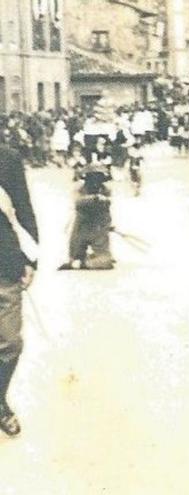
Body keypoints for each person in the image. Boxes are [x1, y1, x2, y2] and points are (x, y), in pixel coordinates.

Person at [0, 137, 38, 437]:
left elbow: (23, 208)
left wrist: (31, 259)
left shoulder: (6, 158)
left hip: (3, 264)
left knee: (10, 342)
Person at [58, 164, 115, 271]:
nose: (95, 181)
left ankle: (89, 261)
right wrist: (93, 199)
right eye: (92, 177)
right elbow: (77, 202)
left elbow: (108, 206)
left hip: (99, 228)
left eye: (98, 178)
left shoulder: (105, 190)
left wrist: (109, 225)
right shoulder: (79, 189)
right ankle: (80, 259)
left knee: (105, 262)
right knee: (75, 254)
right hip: (81, 227)